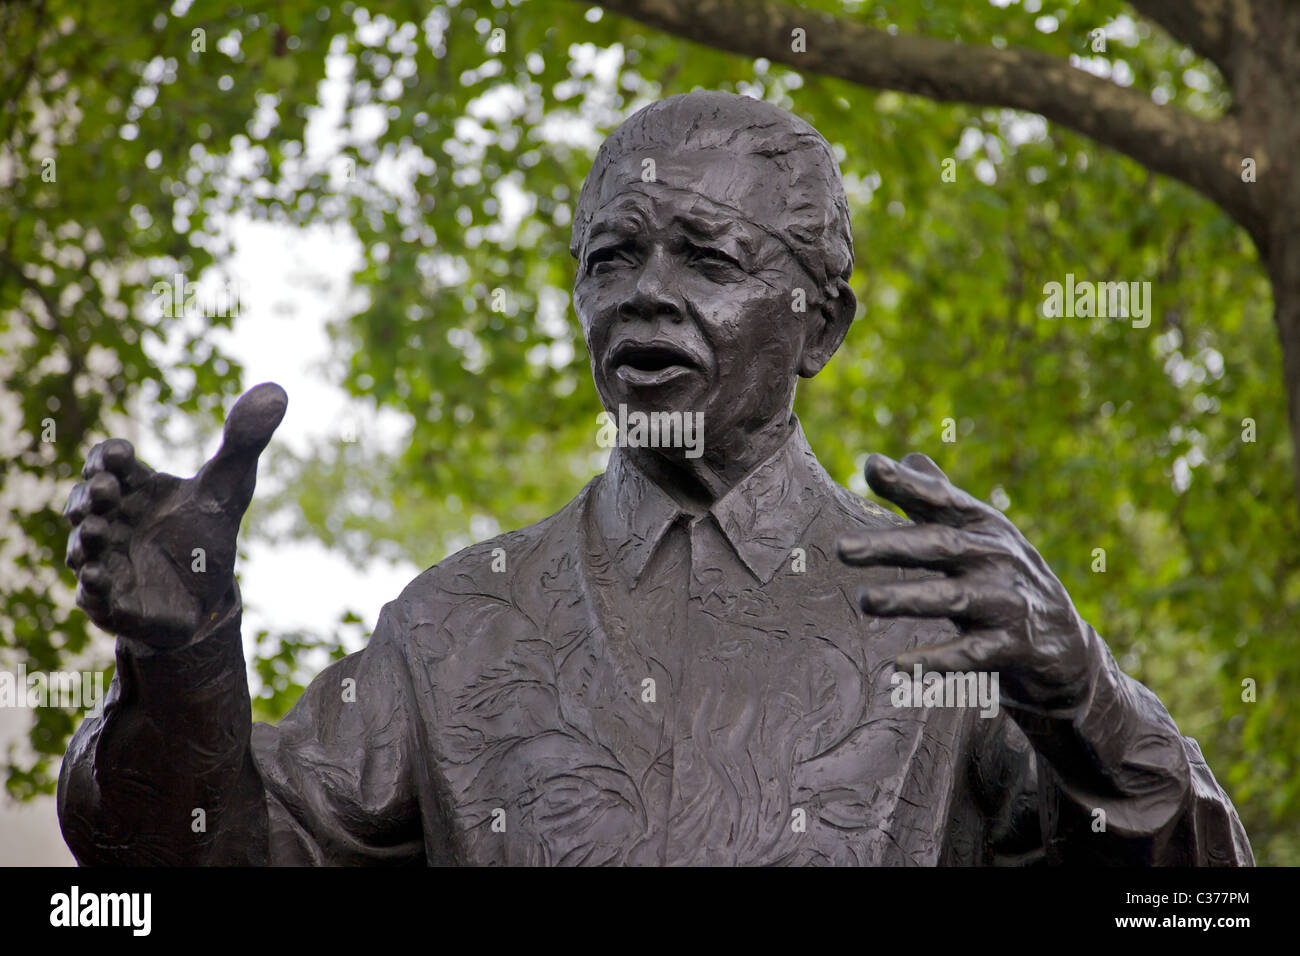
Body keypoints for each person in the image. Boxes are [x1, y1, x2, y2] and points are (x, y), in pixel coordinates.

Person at [58, 91, 1252, 865]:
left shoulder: (954, 621)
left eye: (709, 259)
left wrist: (1082, 696)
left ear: (819, 326)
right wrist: (184, 650)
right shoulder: (457, 623)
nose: (645, 294)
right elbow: (193, 858)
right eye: (610, 257)